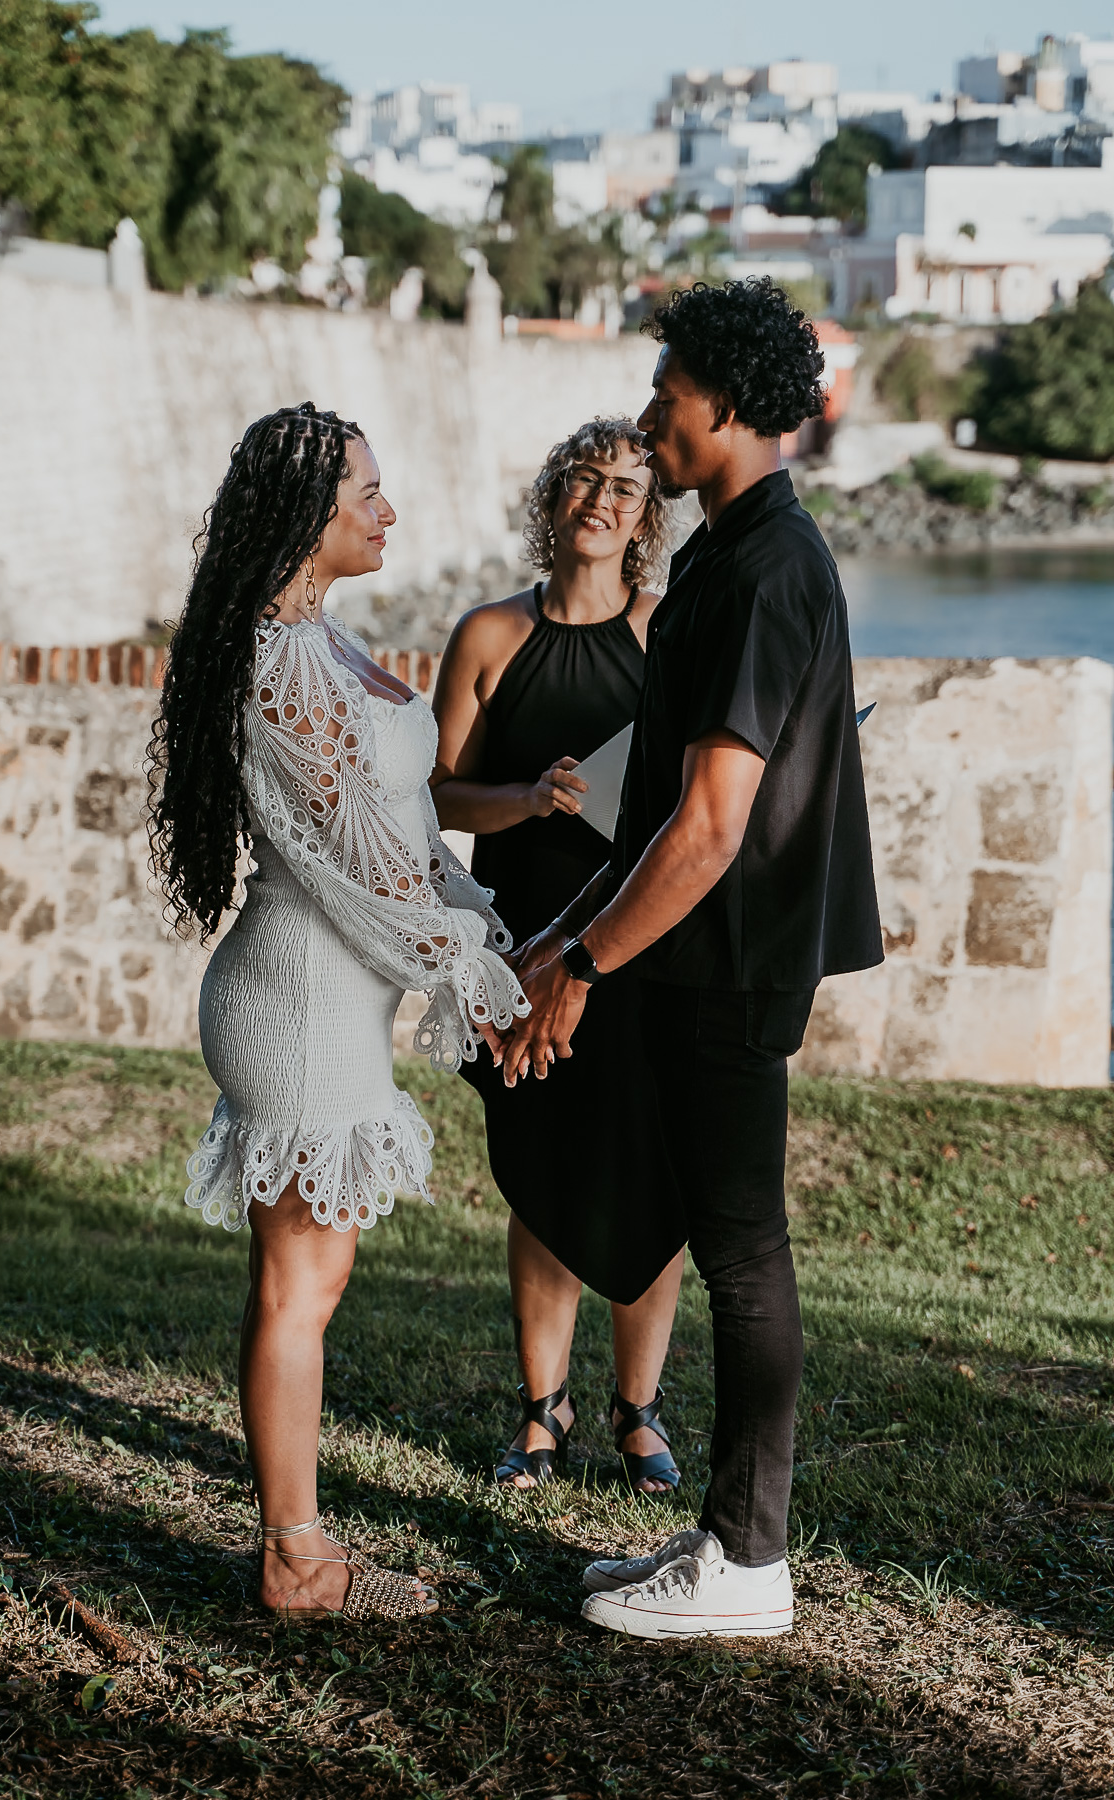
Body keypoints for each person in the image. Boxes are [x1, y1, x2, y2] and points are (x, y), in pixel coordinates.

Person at [499, 279, 884, 1639]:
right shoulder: (722, 557)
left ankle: (749, 1564)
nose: (651, 410)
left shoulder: (779, 569)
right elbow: (654, 802)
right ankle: (724, 1536)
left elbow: (714, 828)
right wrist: (550, 943)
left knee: (744, 1255)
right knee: (715, 1242)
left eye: (667, 390)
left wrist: (583, 968)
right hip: (681, 952)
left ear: (724, 406)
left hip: (728, 965)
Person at [147, 403, 527, 1624]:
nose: (388, 510)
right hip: (301, 999)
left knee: (307, 1280)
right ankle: (295, 1562)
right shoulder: (280, 665)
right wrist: (471, 964)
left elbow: (405, 838)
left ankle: (292, 1541)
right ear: (304, 520)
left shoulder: (329, 641)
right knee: (296, 1289)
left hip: (335, 998)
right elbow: (349, 873)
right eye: (365, 491)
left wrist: (485, 917)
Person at [431, 418, 687, 1496]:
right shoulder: (489, 632)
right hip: (514, 941)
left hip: (633, 947)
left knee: (649, 1175)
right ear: (556, 495)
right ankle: (542, 1414)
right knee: (539, 1176)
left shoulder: (666, 632)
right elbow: (436, 792)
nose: (606, 499)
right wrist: (532, 796)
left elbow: (694, 799)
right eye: (588, 478)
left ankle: (639, 1414)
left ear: (646, 518)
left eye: (629, 486)